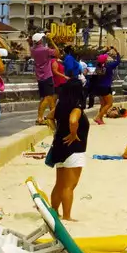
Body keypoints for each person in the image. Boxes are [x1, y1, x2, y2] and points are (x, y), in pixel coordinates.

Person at [47, 64, 90, 211]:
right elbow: (73, 120)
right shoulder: (77, 107)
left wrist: (55, 131)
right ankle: (66, 215)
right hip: (74, 149)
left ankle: (54, 211)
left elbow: (49, 117)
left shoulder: (60, 106)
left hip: (59, 146)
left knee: (59, 183)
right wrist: (73, 134)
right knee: (69, 186)